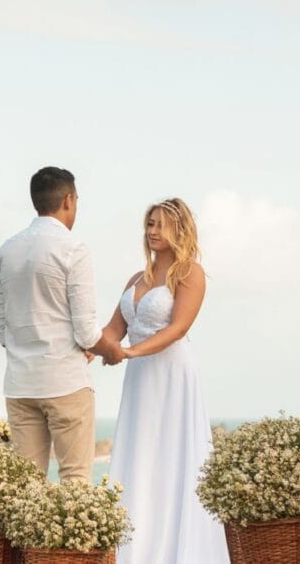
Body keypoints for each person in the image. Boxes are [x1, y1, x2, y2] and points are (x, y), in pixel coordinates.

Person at [103, 198, 229, 563]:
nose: (152, 231)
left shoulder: (191, 273)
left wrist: (129, 352)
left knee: (174, 457)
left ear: (179, 229)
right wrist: (88, 348)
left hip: (171, 374)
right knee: (139, 454)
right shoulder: (135, 279)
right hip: (140, 378)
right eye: (149, 224)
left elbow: (178, 328)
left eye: (160, 224)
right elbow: (113, 330)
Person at [0, 166, 125, 481]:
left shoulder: (6, 251)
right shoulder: (73, 248)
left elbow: (3, 330)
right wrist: (111, 350)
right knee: (75, 477)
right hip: (65, 381)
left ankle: (25, 533)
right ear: (68, 200)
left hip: (20, 383)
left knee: (26, 485)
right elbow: (86, 331)